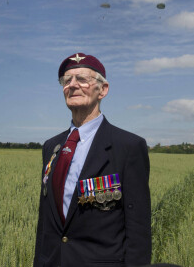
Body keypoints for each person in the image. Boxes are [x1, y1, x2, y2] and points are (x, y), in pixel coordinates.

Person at [34, 53, 151, 267]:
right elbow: (45, 222)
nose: (72, 85)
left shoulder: (128, 147)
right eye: (66, 80)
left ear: (103, 90)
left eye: (82, 79)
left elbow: (138, 227)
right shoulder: (51, 147)